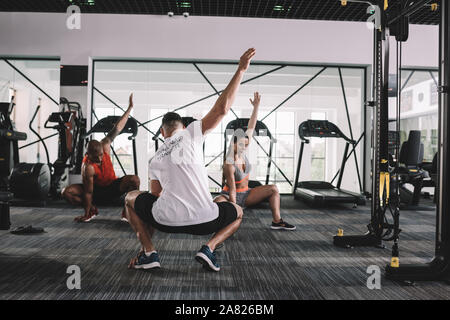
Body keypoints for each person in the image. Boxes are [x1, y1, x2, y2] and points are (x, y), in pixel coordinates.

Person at [124, 48, 256, 272]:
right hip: (205, 220)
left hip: (165, 221)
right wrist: (241, 70)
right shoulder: (191, 133)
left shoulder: (155, 157)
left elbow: (155, 195)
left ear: (162, 132)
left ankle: (148, 252)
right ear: (182, 127)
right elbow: (222, 108)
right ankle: (209, 248)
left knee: (130, 198)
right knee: (237, 212)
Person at [214, 92, 296, 231]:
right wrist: (235, 210)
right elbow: (233, 191)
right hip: (229, 196)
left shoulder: (243, 146)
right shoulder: (229, 164)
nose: (244, 147)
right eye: (241, 145)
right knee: (215, 205)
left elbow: (251, 127)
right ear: (232, 144)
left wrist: (256, 107)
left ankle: (277, 221)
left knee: (274, 189)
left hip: (246, 194)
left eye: (246, 144)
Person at [62, 94, 140, 222]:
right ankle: (91, 210)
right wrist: (87, 214)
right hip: (95, 191)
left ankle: (127, 212)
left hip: (112, 187)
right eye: (95, 157)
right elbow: (88, 192)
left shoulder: (105, 145)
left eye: (101, 155)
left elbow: (117, 128)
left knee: (134, 179)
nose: (99, 159)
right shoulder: (87, 167)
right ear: (88, 155)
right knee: (66, 192)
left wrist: (130, 108)